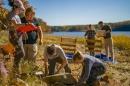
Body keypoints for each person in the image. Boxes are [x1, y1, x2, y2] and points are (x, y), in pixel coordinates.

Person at [8, 4, 25, 74]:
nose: (21, 11)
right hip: (14, 36)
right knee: (21, 54)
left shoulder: (17, 16)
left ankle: (15, 72)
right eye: (20, 9)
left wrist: (24, 31)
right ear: (15, 7)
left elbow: (19, 27)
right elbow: (15, 25)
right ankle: (16, 70)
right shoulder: (11, 15)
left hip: (19, 36)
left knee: (17, 55)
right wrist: (26, 24)